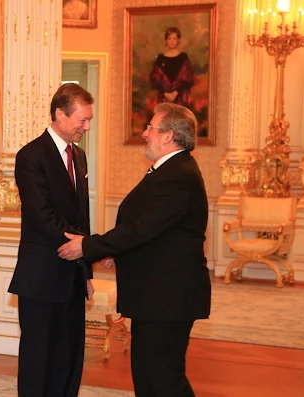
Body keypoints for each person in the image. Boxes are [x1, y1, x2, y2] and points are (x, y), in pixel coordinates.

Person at [58, 102, 211, 397]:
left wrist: (87, 246)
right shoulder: (169, 170)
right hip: (157, 295)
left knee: (163, 379)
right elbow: (156, 230)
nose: (144, 133)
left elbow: (141, 229)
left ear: (168, 136)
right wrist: (120, 252)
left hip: (167, 297)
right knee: (149, 376)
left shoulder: (177, 174)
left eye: (151, 128)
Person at [8, 83, 95, 397]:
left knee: (69, 357)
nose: (86, 127)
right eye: (82, 120)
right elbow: (42, 215)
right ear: (60, 114)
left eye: (89, 121)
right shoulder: (31, 155)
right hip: (42, 276)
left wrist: (86, 269)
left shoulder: (80, 156)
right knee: (38, 359)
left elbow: (81, 217)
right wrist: (84, 246)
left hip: (73, 275)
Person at [149, 27, 195, 107]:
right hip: (164, 99)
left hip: (180, 98)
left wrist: (176, 92)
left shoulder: (183, 57)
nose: (172, 41)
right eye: (169, 38)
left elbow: (188, 79)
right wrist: (165, 93)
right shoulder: (160, 58)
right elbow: (155, 79)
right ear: (166, 40)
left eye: (174, 38)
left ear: (178, 40)